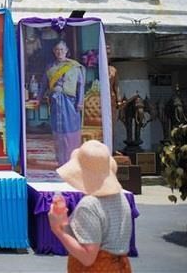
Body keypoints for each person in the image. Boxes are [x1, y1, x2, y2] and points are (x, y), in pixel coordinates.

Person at [48, 140, 132, 272]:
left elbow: (87, 257)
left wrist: (57, 229)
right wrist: (65, 225)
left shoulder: (89, 205)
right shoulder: (120, 197)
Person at [36, 40, 85, 166]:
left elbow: (80, 86)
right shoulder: (50, 67)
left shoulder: (74, 66)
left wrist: (79, 102)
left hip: (71, 104)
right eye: (57, 50)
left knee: (70, 131)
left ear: (66, 51)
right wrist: (38, 99)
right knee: (58, 133)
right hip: (55, 103)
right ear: (54, 51)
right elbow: (43, 85)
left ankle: (72, 160)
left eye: (62, 49)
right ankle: (61, 161)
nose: (59, 52)